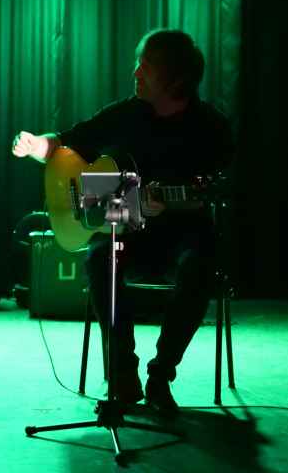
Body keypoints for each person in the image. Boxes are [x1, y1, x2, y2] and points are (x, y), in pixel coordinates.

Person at [12, 29, 234, 414]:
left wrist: (175, 204)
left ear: (174, 78)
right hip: (126, 226)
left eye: (144, 67)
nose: (135, 73)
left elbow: (222, 188)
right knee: (101, 257)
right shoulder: (127, 114)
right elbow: (65, 142)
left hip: (185, 234)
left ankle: (161, 375)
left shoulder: (211, 127)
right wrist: (36, 144)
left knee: (199, 267)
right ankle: (122, 374)